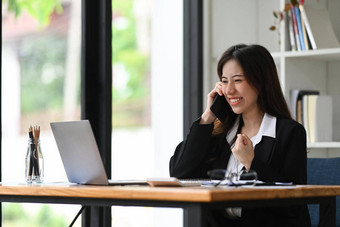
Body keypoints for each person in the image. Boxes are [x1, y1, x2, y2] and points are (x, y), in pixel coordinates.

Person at [169, 44, 311, 226]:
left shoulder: (289, 132)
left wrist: (251, 163)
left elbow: (293, 205)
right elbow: (179, 172)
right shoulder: (220, 132)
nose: (229, 90)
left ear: (260, 82)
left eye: (237, 80)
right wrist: (208, 117)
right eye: (224, 81)